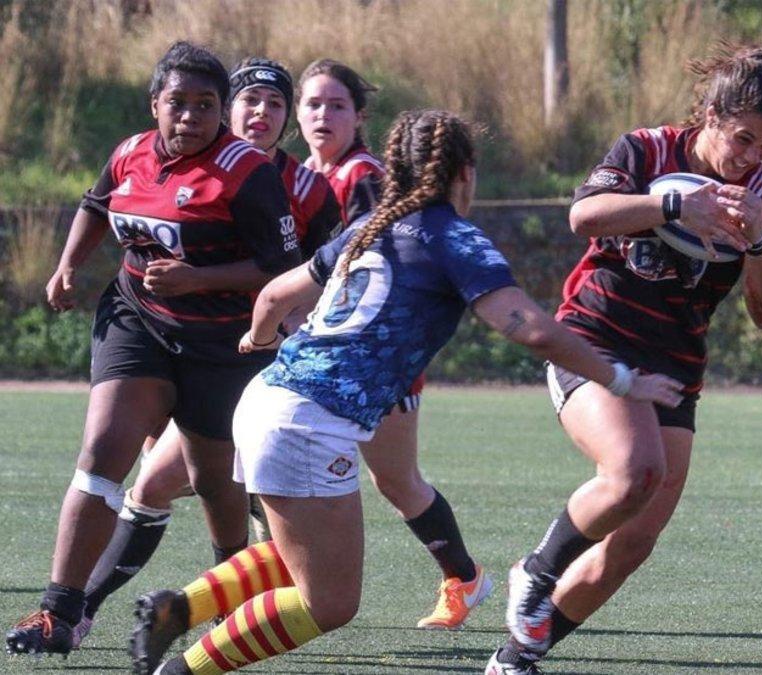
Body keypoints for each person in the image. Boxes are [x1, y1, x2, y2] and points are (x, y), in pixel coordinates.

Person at [128, 108, 685, 675]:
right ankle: (183, 671)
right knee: (329, 603)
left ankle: (181, 607)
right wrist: (617, 377)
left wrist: (258, 337)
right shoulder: (455, 239)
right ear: (465, 173)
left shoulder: (367, 228)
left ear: (395, 169)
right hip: (307, 423)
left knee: (304, 552)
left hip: (268, 400)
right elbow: (530, 327)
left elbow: (274, 295)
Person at [486, 14, 762, 675]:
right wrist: (675, 209)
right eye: (743, 138)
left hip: (676, 369)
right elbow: (582, 216)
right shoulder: (645, 152)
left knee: (634, 541)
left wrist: (759, 240)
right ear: (710, 115)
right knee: (633, 471)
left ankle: (517, 657)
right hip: (593, 341)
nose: (752, 157)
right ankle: (536, 571)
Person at [4, 42, 301, 657]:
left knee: (213, 479)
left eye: (206, 105)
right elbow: (95, 203)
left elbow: (284, 267)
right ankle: (58, 613)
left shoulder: (248, 172)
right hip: (137, 320)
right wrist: (67, 267)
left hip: (224, 344)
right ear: (154, 105)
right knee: (101, 451)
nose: (191, 117)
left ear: (222, 111)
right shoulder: (130, 152)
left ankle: (230, 589)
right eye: (178, 103)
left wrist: (200, 279)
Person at [70, 56, 342, 647]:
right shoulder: (168, 162)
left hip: (258, 360)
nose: (261, 113)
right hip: (187, 345)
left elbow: (315, 272)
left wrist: (290, 317)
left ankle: (208, 607)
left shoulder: (304, 187)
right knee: (182, 485)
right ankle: (78, 609)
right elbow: (105, 206)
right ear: (231, 110)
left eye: (275, 103)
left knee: (210, 492)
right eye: (250, 101)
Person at [296, 58, 493, 629]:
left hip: (367, 363)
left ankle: (464, 579)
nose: (323, 114)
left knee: (397, 481)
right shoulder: (297, 177)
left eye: (337, 105)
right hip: (311, 355)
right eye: (313, 104)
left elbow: (366, 269)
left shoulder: (361, 178)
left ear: (359, 117)